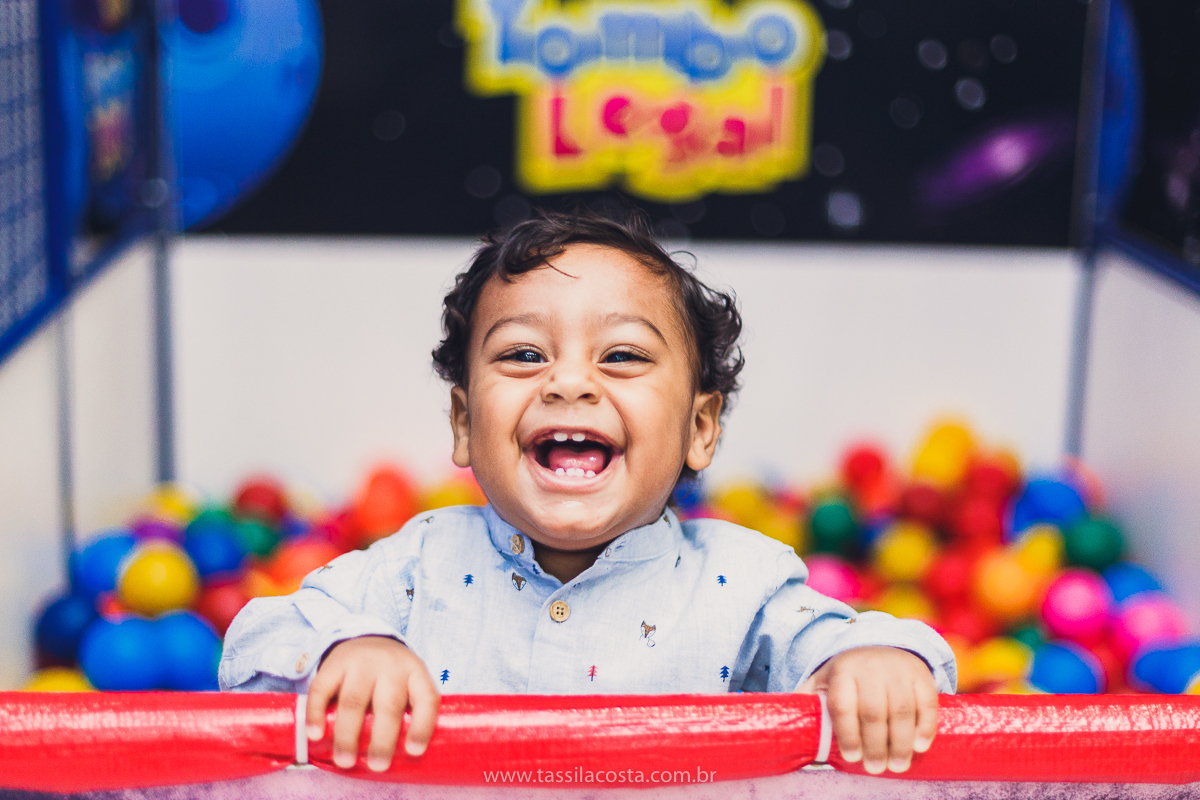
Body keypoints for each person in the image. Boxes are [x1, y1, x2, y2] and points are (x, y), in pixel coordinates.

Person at [219, 208, 956, 779]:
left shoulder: (741, 584)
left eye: (623, 355)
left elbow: (846, 645)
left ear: (700, 428)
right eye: (523, 354)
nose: (568, 382)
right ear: (465, 424)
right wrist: (349, 648)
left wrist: (876, 660)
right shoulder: (414, 568)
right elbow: (259, 641)